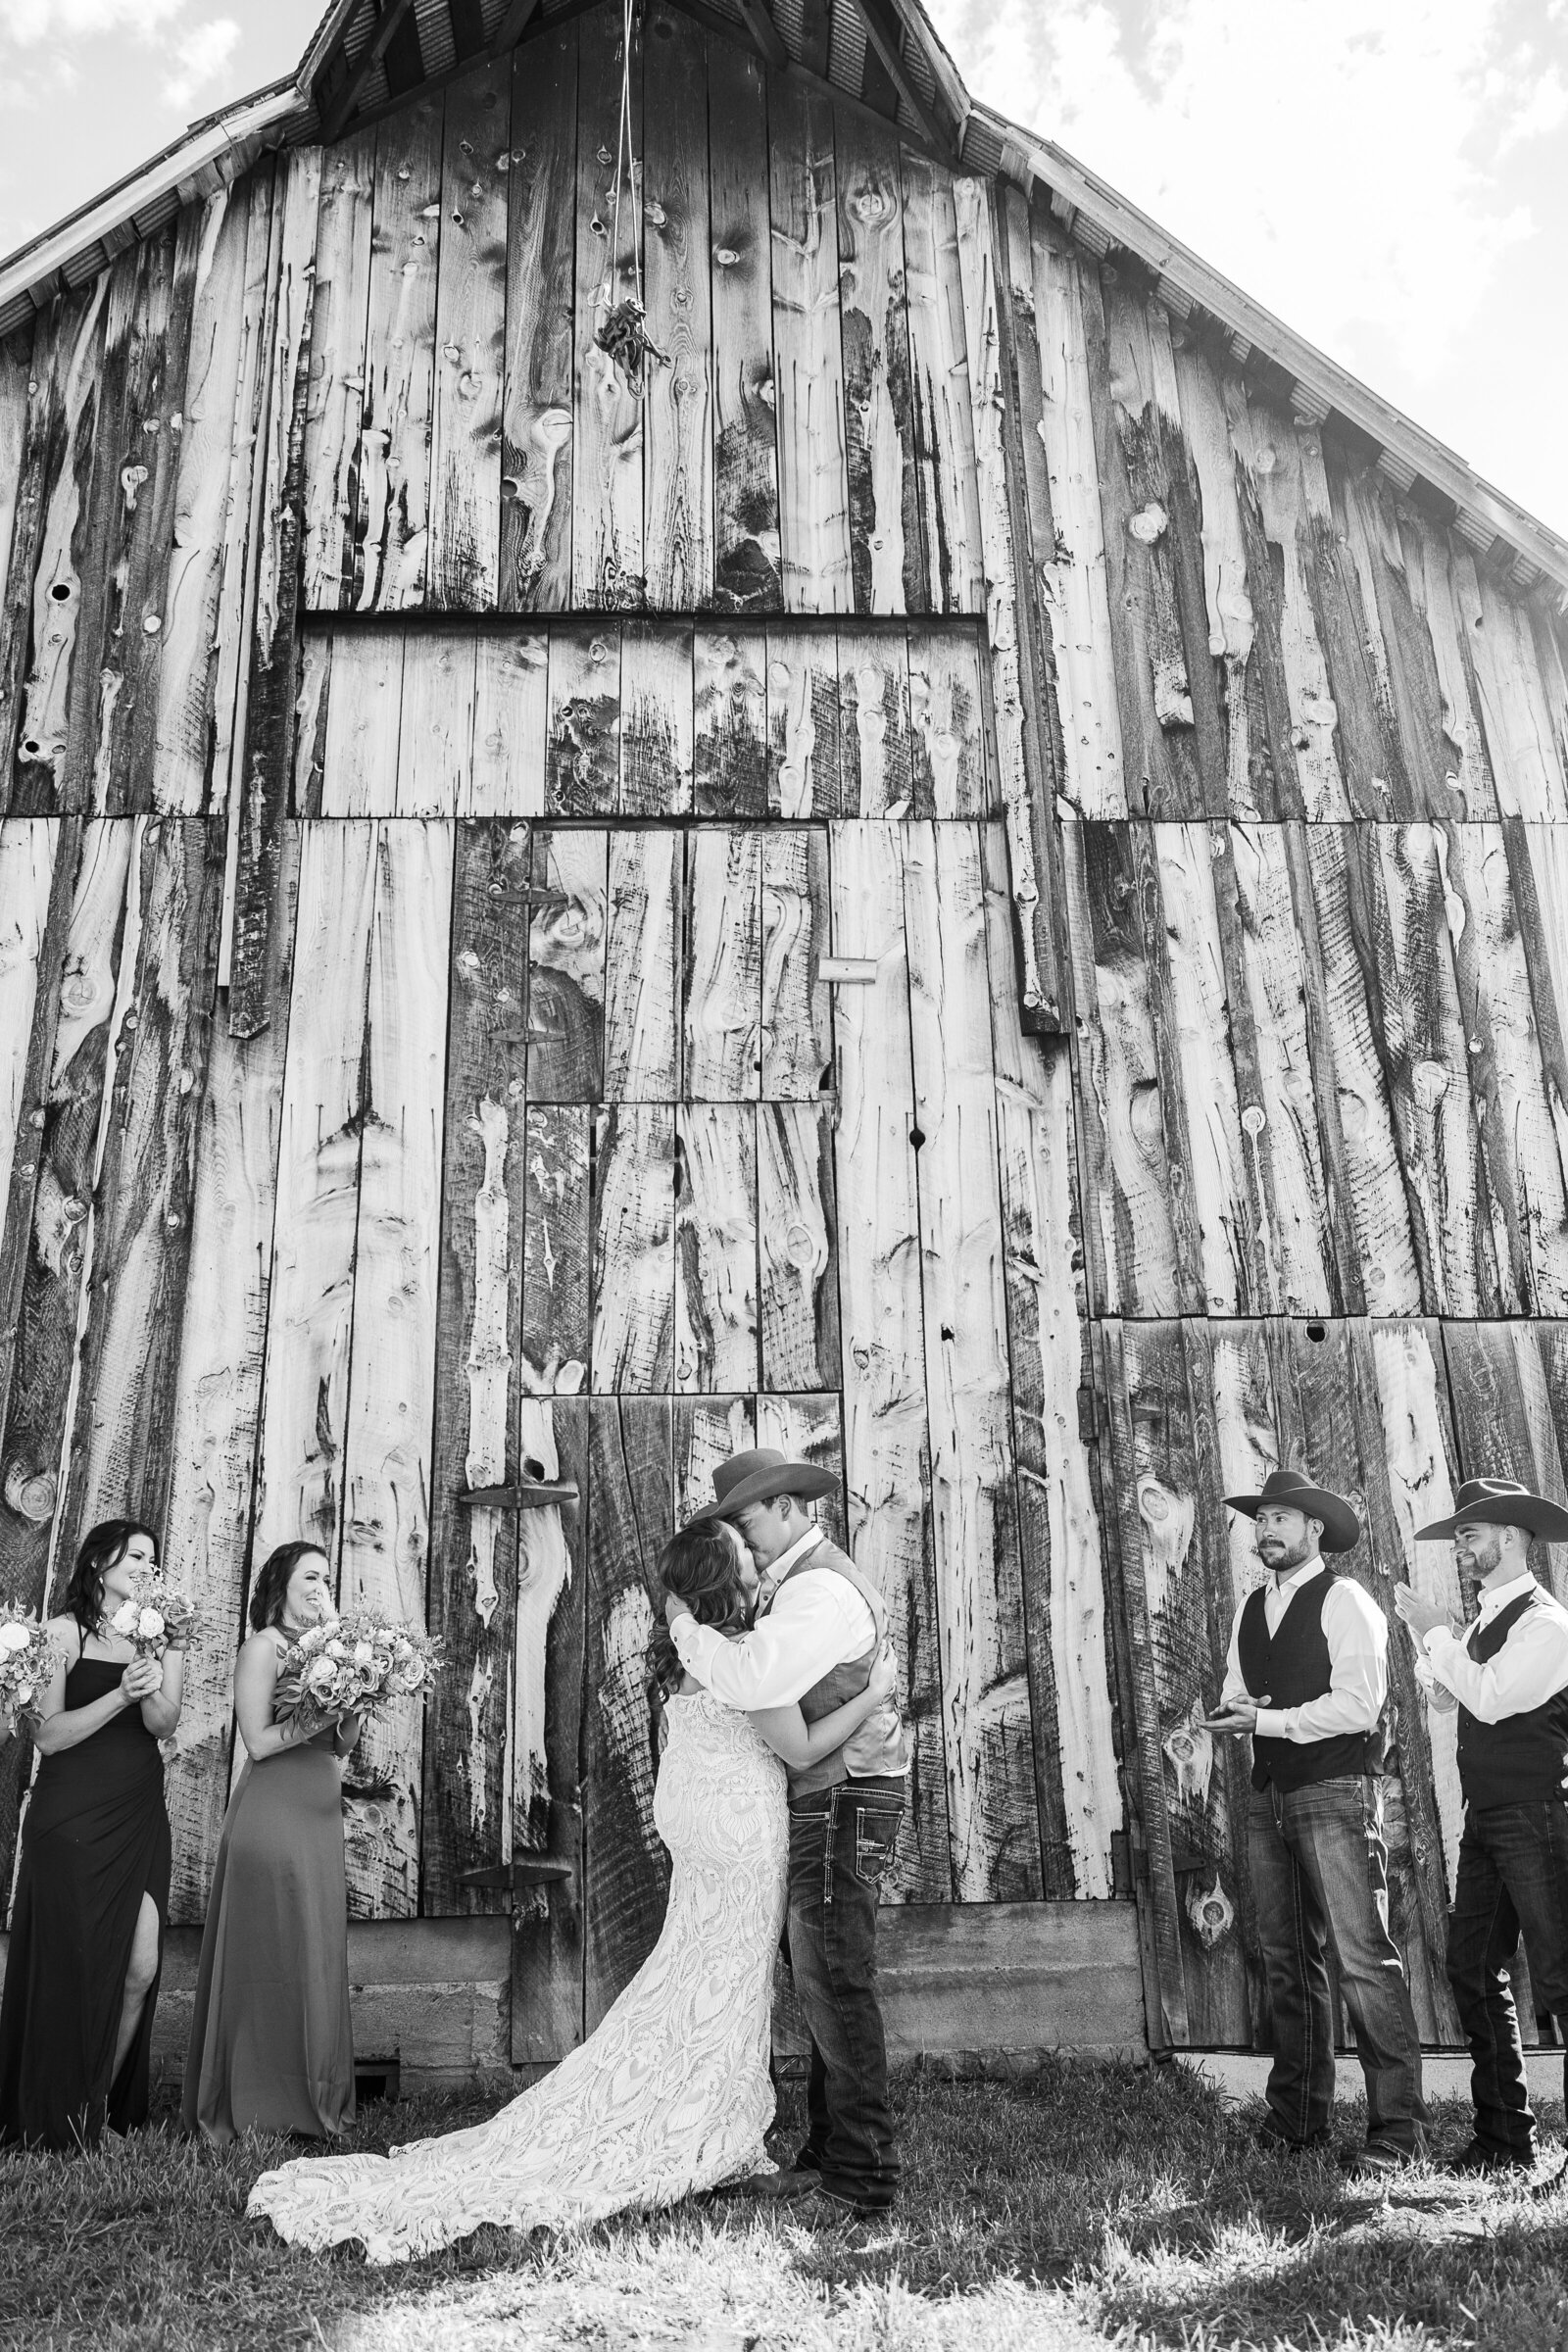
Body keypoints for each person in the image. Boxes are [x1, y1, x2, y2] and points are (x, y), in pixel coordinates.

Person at [246, 1514, 897, 2262]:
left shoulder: (695, 1652)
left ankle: (679, 2094)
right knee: (725, 1976)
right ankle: (692, 2115)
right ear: (734, 1577)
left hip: (699, 1823)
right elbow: (801, 1745)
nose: (758, 1560)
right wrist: (871, 1693)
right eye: (747, 1554)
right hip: (741, 1834)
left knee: (692, 1973)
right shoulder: (747, 1657)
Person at [664, 1446, 911, 2218]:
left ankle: (864, 2176)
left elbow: (755, 1681)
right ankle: (826, 2153)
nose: (743, 1535)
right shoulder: (798, 1585)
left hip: (843, 1796)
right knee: (821, 1978)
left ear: (788, 1507)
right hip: (826, 1793)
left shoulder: (820, 1591)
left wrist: (680, 1623)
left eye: (745, 1518)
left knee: (835, 1978)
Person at [1203, 1467, 1426, 2174]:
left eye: (1280, 1519)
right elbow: (1238, 1692)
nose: (1265, 1530)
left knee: (1364, 1960)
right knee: (1286, 1963)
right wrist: (1235, 1716)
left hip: (1335, 1792)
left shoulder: (1345, 1599)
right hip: (1268, 1794)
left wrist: (1266, 1717)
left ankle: (1399, 2130)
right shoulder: (1251, 1608)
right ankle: (1298, 2121)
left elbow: (1360, 1705)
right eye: (1260, 1519)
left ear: (1314, 1530)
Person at [1396, 1475, 1568, 2176]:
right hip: (1489, 1818)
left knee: (1561, 1980)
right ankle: (1505, 2138)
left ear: (1509, 1538)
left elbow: (1493, 1700)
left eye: (1470, 1533)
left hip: (1540, 1817)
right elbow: (1453, 1700)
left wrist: (1437, 1633)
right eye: (1460, 1534)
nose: (1461, 1545)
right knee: (1470, 1965)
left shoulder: (1546, 1624)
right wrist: (1437, 1653)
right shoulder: (1482, 1623)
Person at [0, 1519, 184, 2151]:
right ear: (99, 1563)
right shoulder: (61, 1634)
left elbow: (164, 1724)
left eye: (152, 1559)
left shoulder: (162, 1636)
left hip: (137, 1814)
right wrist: (118, 1697)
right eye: (134, 1556)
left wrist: (149, 1674)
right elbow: (47, 1735)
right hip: (71, 1818)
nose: (144, 1567)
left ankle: (94, 2105)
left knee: (139, 1965)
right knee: (73, 1965)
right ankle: (56, 2112)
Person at [183, 1541, 362, 2144]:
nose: (321, 1584)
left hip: (318, 1813)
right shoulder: (263, 1647)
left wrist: (358, 1695)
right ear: (282, 1583)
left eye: (327, 1576)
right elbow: (258, 1742)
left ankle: (312, 2098)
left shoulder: (328, 1651)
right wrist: (319, 1714)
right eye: (310, 1575)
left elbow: (340, 1747)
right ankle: (254, 2100)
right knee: (268, 1955)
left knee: (313, 1951)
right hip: (272, 1812)